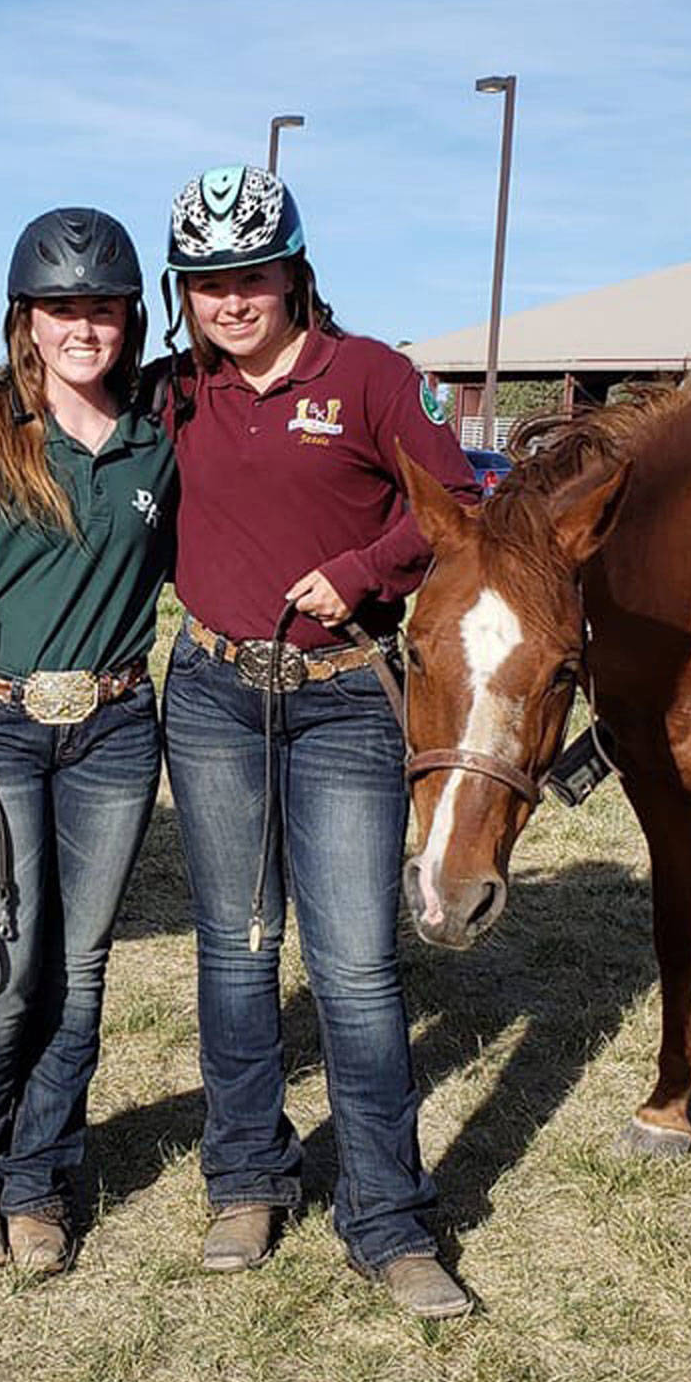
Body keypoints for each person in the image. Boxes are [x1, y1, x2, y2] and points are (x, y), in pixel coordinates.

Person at [159, 164, 479, 1319]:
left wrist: (363, 572)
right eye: (206, 281)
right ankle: (246, 1175)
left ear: (294, 269)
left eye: (250, 274)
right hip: (209, 696)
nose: (231, 300)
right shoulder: (177, 390)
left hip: (344, 701)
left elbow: (453, 501)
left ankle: (387, 1216)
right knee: (236, 949)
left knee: (352, 962)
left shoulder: (372, 377)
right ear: (182, 291)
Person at [0, 207, 176, 1274]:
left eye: (101, 306)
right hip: (0, 724)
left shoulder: (160, 434)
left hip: (113, 729)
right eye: (62, 306)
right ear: (25, 318)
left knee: (81, 966)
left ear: (128, 316)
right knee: (3, 966)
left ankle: (40, 1174)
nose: (82, 326)